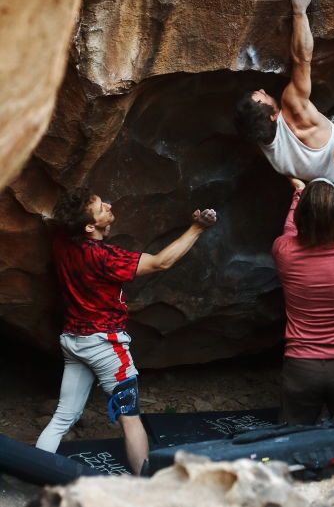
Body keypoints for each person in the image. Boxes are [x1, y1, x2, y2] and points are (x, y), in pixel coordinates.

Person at [36, 189, 216, 474]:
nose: (109, 205)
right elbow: (161, 262)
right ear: (89, 226)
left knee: (63, 416)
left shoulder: (62, 241)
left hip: (73, 340)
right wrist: (197, 228)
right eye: (101, 209)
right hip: (105, 346)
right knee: (130, 419)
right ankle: (143, 491)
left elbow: (60, 220)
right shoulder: (105, 258)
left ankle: (34, 475)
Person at [235, 0, 334, 186]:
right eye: (259, 97)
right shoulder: (293, 105)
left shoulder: (266, 149)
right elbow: (302, 59)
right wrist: (299, 10)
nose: (261, 90)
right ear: (272, 116)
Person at [272, 140, 334, 425]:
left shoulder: (284, 251)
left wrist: (298, 194)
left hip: (302, 368)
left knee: (291, 444)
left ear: (302, 216)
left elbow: (291, 228)